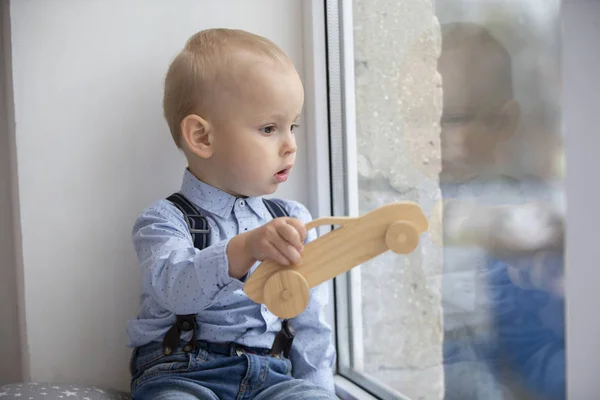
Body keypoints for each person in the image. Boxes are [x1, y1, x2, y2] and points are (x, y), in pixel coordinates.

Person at [126, 28, 336, 400]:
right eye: (269, 128)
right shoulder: (162, 220)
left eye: (293, 126)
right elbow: (177, 289)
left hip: (273, 376)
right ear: (203, 138)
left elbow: (311, 324)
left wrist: (318, 391)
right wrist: (246, 248)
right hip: (182, 373)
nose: (290, 145)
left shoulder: (294, 218)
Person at [438, 22, 565, 399]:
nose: (439, 135)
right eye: (428, 117)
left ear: (504, 123)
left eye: (456, 119)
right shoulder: (419, 195)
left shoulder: (519, 195)